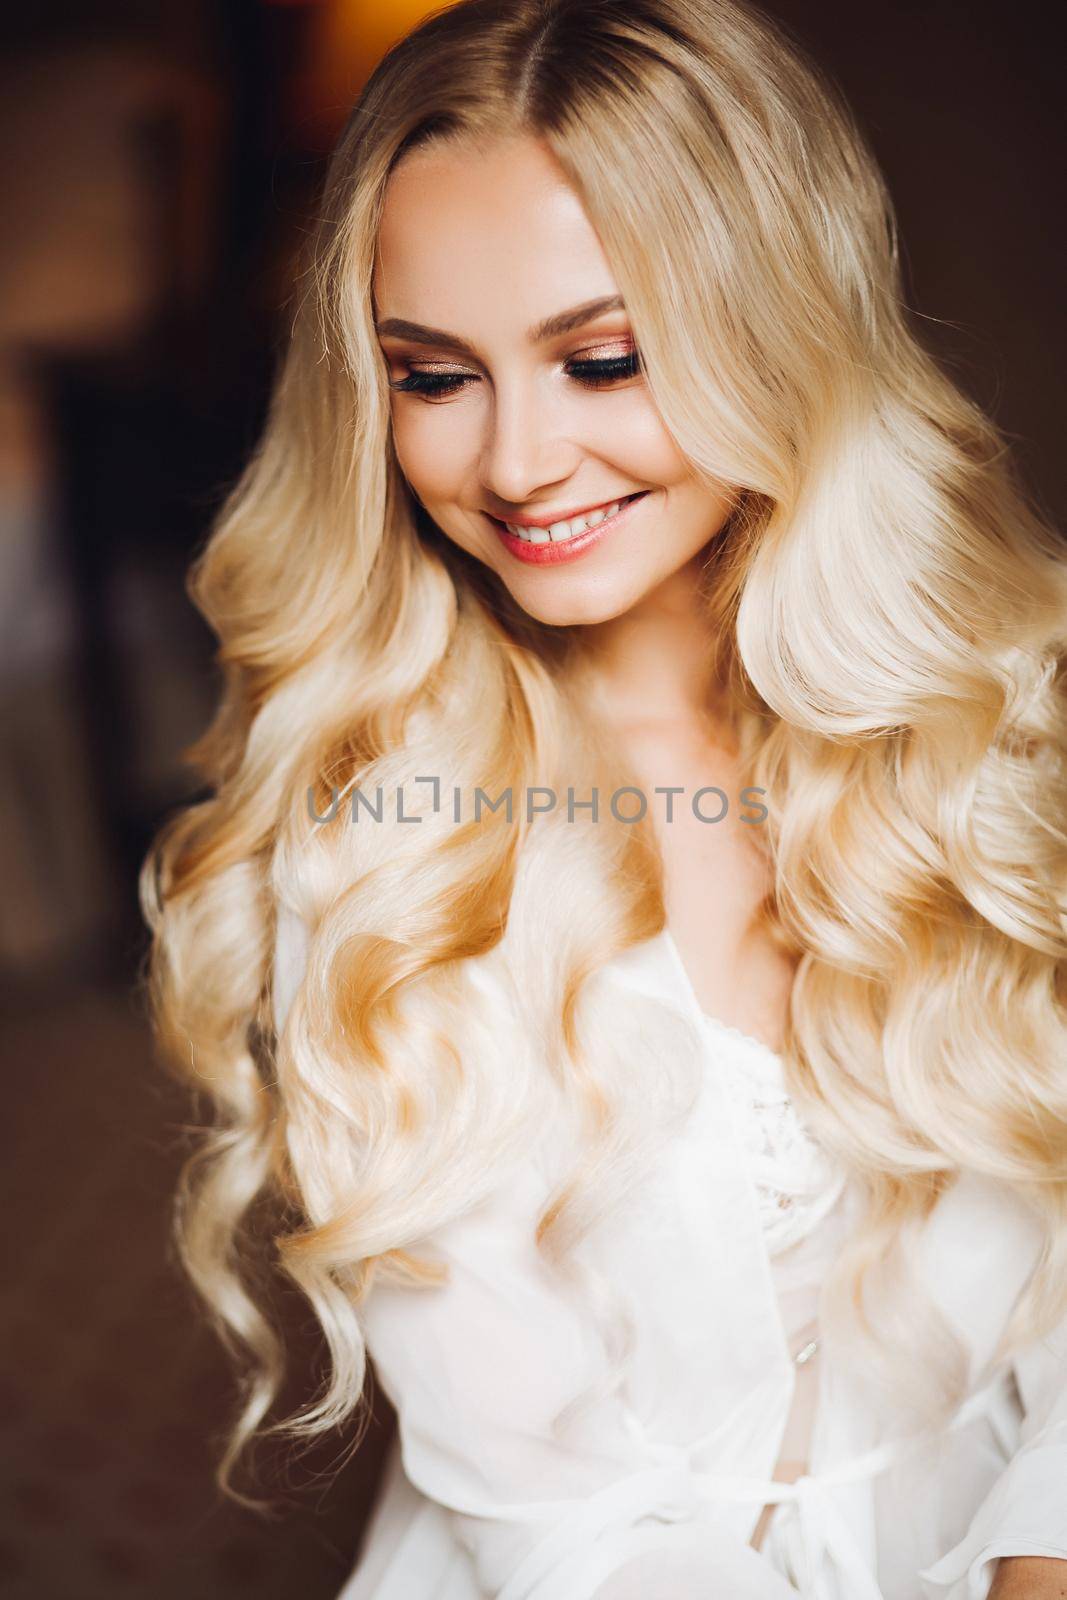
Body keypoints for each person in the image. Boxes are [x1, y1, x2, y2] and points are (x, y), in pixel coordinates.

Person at [139, 1, 1067, 1595]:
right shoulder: (387, 845)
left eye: (602, 358)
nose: (516, 461)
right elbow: (551, 1510)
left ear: (777, 322)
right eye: (432, 376)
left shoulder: (1004, 718)